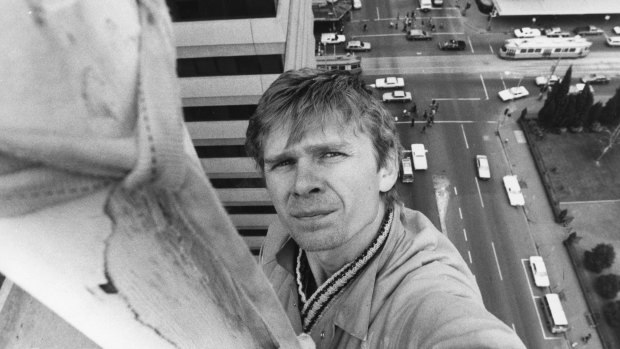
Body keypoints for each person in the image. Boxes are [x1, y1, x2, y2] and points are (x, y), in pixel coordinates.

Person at [245, 68, 526, 348]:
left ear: (387, 167)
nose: (302, 184)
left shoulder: (422, 294)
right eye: (283, 163)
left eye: (330, 154)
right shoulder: (278, 239)